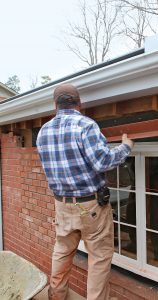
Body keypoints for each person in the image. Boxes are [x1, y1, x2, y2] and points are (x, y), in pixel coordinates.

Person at [36, 83, 134, 300]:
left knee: (62, 252)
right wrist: (126, 146)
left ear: (55, 105)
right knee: (99, 258)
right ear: (79, 103)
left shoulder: (43, 131)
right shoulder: (85, 125)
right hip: (91, 206)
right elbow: (102, 161)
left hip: (62, 205)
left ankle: (57, 295)